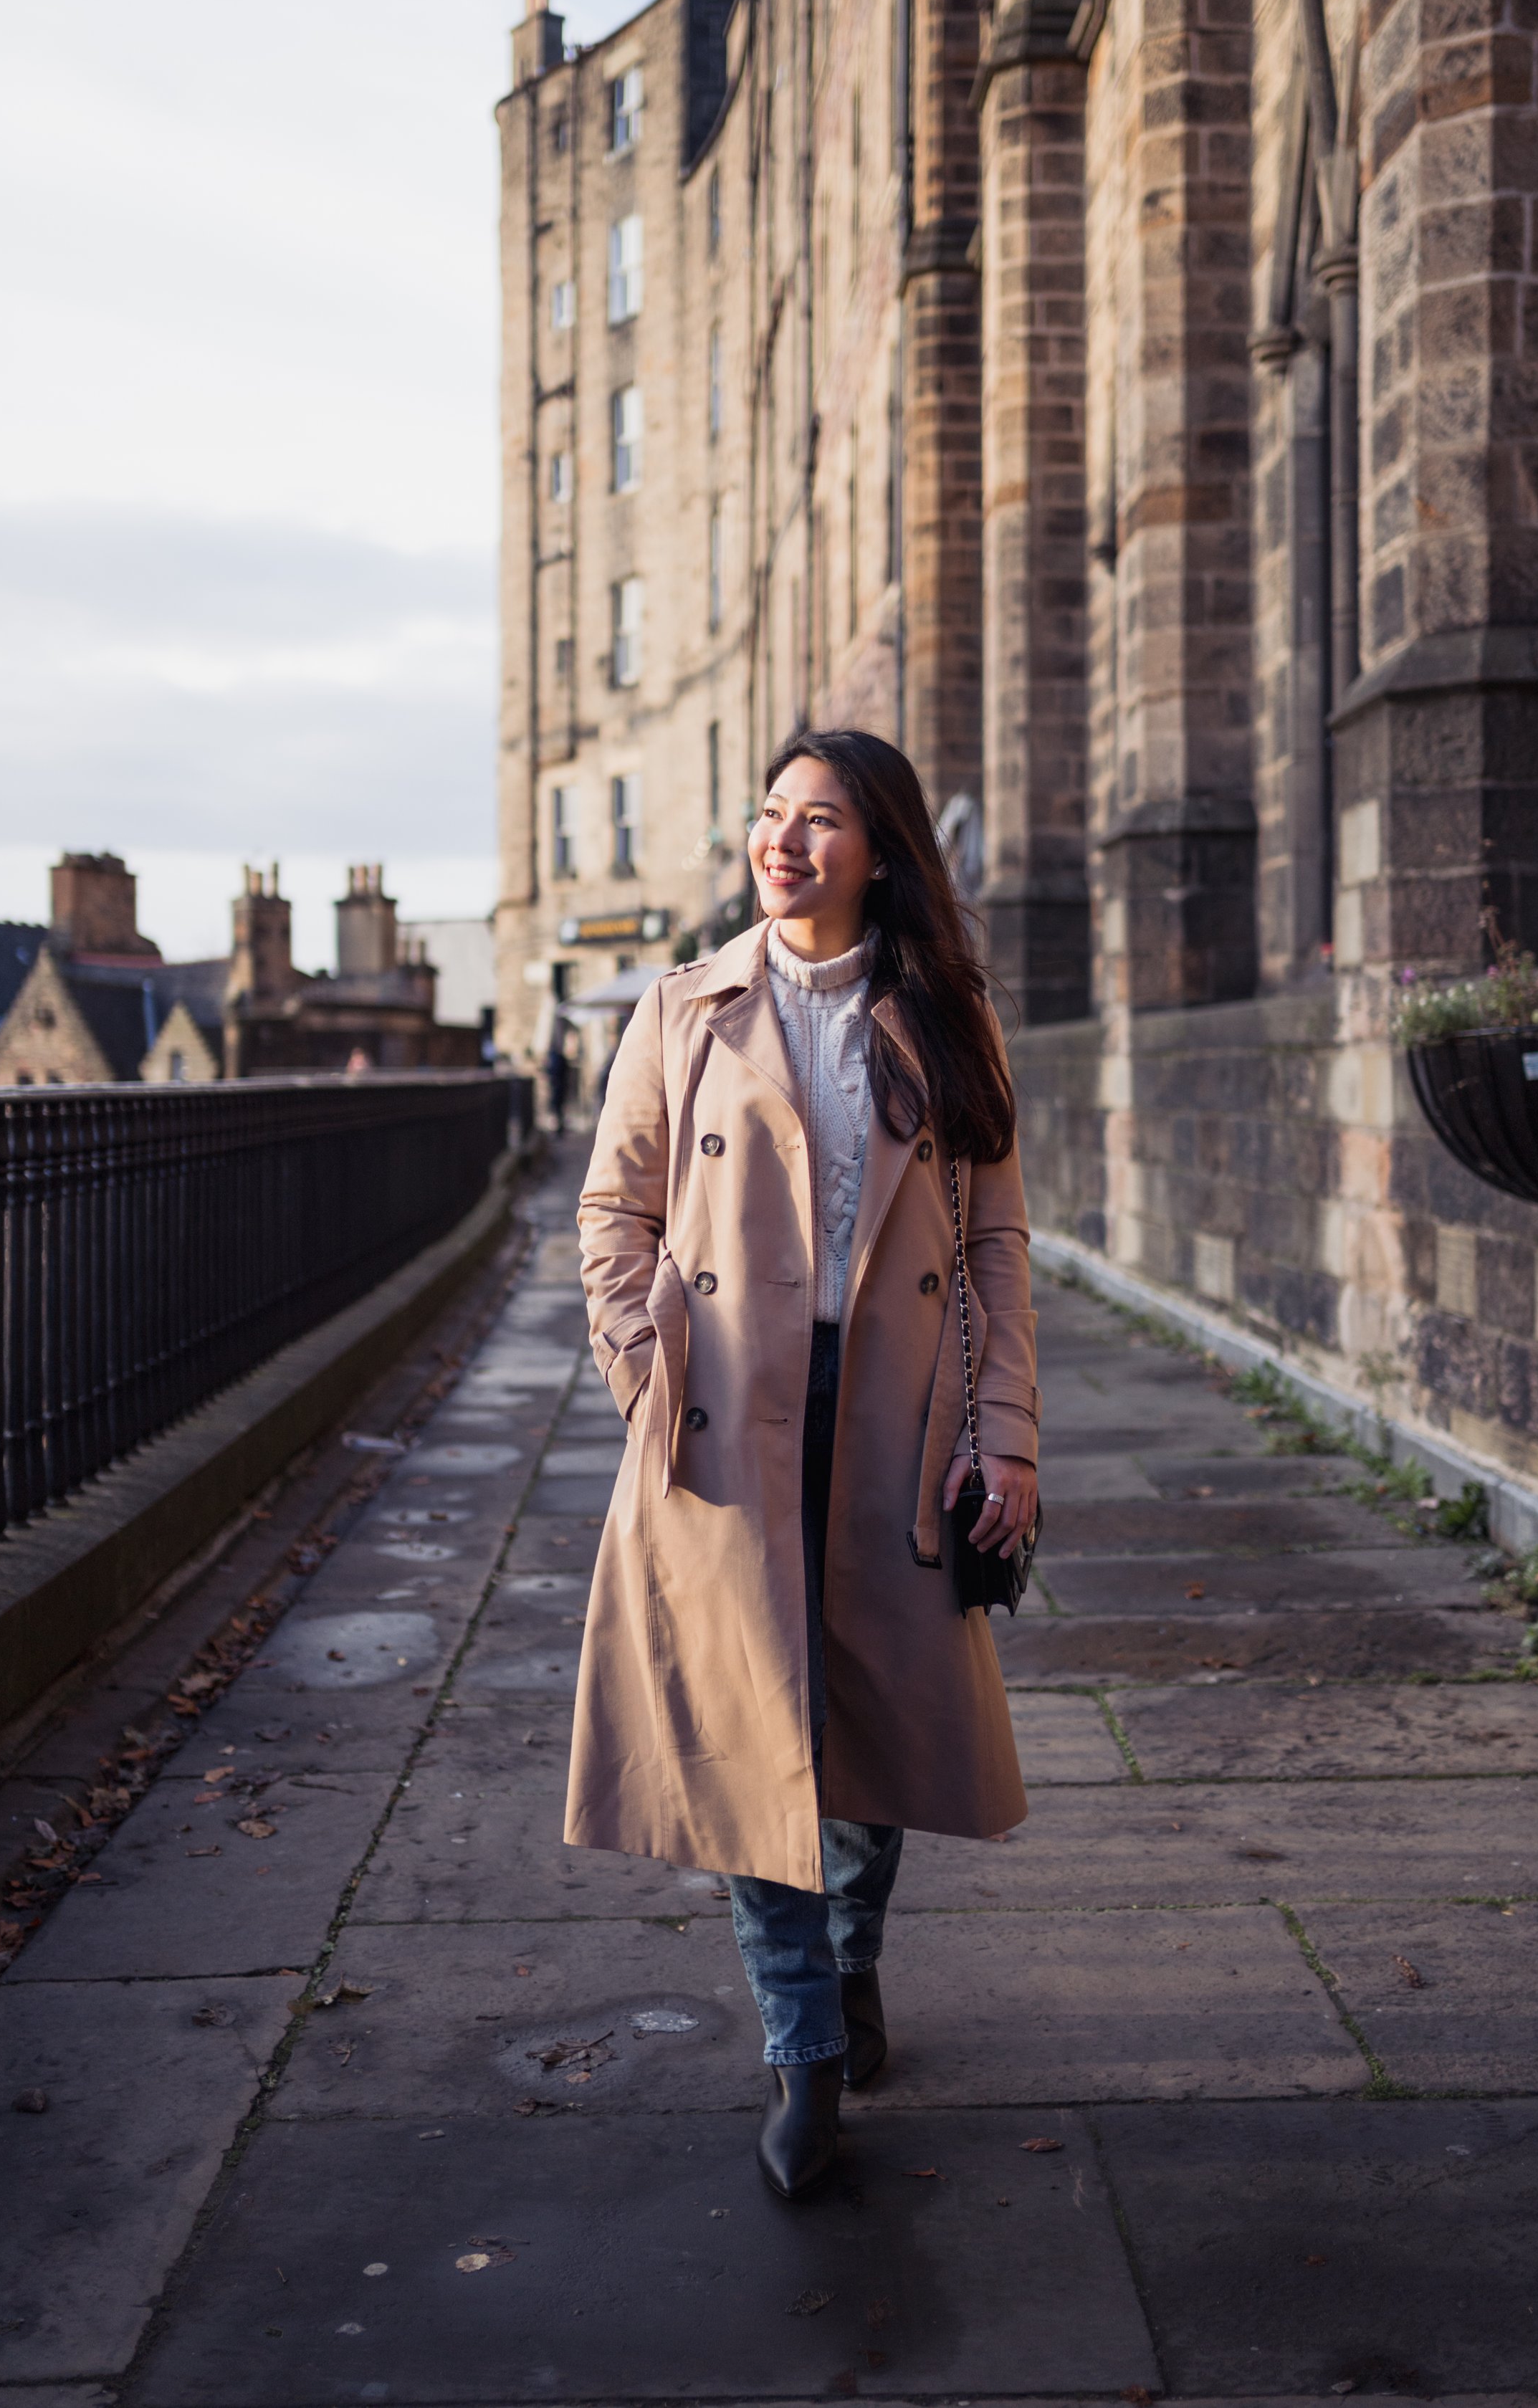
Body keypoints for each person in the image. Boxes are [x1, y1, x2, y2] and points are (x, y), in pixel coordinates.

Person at [569, 727, 1039, 2197]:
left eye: (819, 818)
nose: (783, 840)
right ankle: (801, 2053)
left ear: (878, 850)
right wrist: (651, 1373)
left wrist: (1005, 1438)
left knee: (873, 1732)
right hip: (728, 1417)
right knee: (748, 1738)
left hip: (897, 1416)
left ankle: (849, 1959)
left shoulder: (944, 1016)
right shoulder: (681, 1006)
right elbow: (613, 1213)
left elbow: (995, 1247)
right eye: (771, 814)